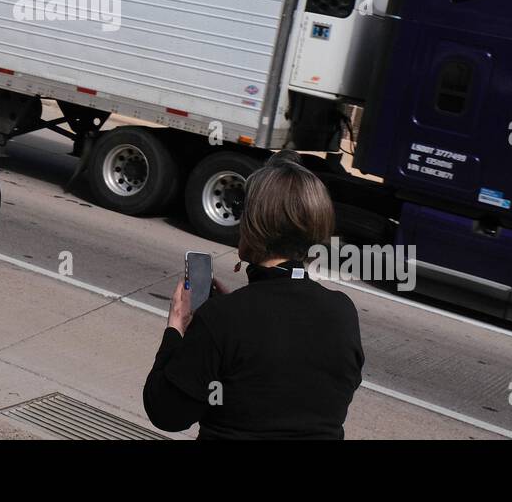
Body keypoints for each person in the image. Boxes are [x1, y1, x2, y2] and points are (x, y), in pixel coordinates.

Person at [143, 152, 363, 439]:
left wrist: (176, 328)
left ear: (254, 225)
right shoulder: (343, 312)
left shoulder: (222, 318)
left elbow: (167, 413)